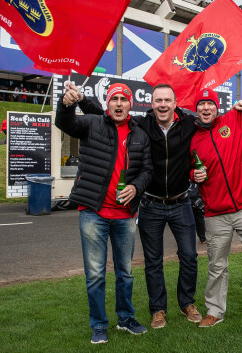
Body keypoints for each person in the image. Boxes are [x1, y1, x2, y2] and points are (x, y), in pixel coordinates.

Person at [71, 83, 202, 328]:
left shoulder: (188, 124)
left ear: (175, 103)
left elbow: (210, 124)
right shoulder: (142, 124)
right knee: (153, 260)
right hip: (150, 203)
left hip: (181, 201)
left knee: (190, 256)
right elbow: (105, 114)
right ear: (151, 104)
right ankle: (158, 310)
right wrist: (81, 100)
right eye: (158, 101)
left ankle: (187, 303)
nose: (162, 105)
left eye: (167, 101)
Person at [55, 83, 153, 344]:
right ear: (107, 103)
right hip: (93, 213)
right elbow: (65, 123)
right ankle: (98, 325)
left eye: (124, 99)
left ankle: (126, 318)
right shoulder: (92, 123)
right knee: (96, 274)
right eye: (114, 99)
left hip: (125, 216)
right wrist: (66, 104)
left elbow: (147, 170)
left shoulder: (140, 133)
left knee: (126, 272)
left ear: (131, 104)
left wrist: (136, 186)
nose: (119, 104)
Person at [190, 88, 242, 334]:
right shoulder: (193, 139)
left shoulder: (234, 118)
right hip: (215, 213)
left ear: (217, 107)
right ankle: (214, 311)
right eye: (201, 104)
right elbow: (187, 169)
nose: (206, 108)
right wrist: (193, 174)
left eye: (210, 104)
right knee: (216, 265)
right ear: (197, 109)